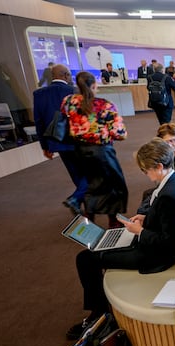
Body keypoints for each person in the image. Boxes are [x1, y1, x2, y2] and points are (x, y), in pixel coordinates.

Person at [67, 138, 175, 340]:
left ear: (159, 166)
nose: (145, 174)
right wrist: (146, 218)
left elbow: (168, 242)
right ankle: (99, 309)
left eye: (146, 170)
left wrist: (139, 231)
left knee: (85, 258)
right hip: (148, 241)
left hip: (154, 255)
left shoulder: (170, 194)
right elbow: (164, 217)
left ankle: (98, 314)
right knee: (97, 248)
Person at [61, 71, 128, 228]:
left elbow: (65, 119)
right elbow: (120, 134)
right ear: (93, 86)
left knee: (90, 184)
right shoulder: (104, 105)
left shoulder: (68, 101)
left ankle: (89, 218)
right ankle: (114, 220)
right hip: (101, 151)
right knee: (114, 184)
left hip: (78, 150)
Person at [33, 63, 86, 215]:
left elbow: (39, 122)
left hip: (56, 141)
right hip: (77, 141)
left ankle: (78, 203)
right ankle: (76, 198)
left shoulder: (39, 94)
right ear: (66, 75)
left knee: (76, 173)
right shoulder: (74, 91)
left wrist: (45, 146)